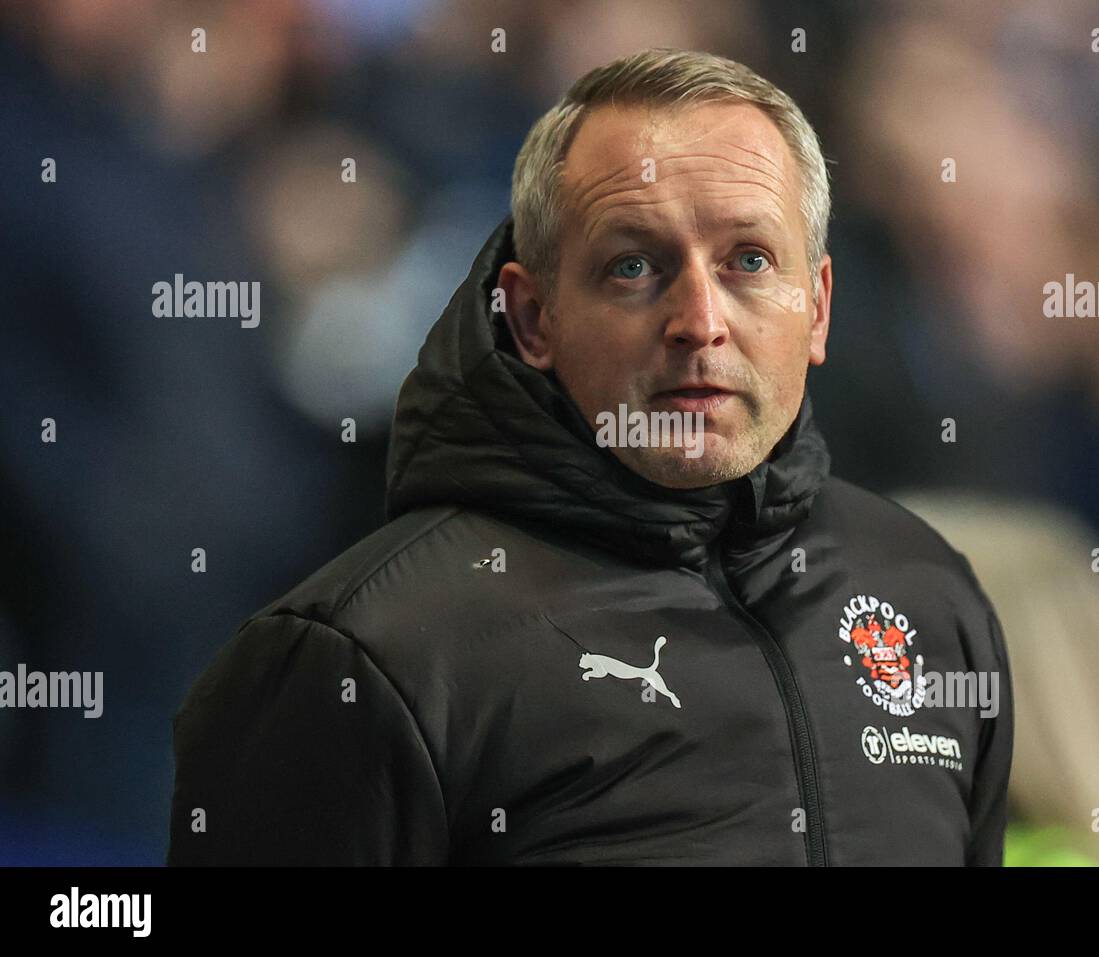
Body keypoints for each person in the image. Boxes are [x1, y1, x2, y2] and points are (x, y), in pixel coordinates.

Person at [166, 47, 1013, 866]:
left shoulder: (931, 599)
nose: (700, 321)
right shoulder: (360, 660)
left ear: (818, 308)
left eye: (749, 260)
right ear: (534, 318)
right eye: (634, 266)